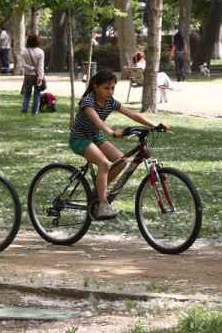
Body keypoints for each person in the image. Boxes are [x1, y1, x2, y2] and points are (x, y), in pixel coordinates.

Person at [69, 70, 167, 220]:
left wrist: (154, 126)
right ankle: (102, 204)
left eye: (112, 88)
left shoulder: (110, 102)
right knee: (104, 164)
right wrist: (112, 132)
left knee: (121, 161)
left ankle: (97, 193)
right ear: (95, 87)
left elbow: (132, 114)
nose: (110, 92)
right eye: (106, 88)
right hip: (79, 138)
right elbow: (97, 121)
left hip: (95, 137)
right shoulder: (88, 102)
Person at [20, 34, 46, 114]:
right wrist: (41, 77)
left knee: (27, 94)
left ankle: (24, 110)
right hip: (37, 75)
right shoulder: (40, 52)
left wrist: (30, 68)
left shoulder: (24, 51)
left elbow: (23, 64)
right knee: (37, 94)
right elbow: (41, 66)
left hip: (28, 75)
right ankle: (35, 112)